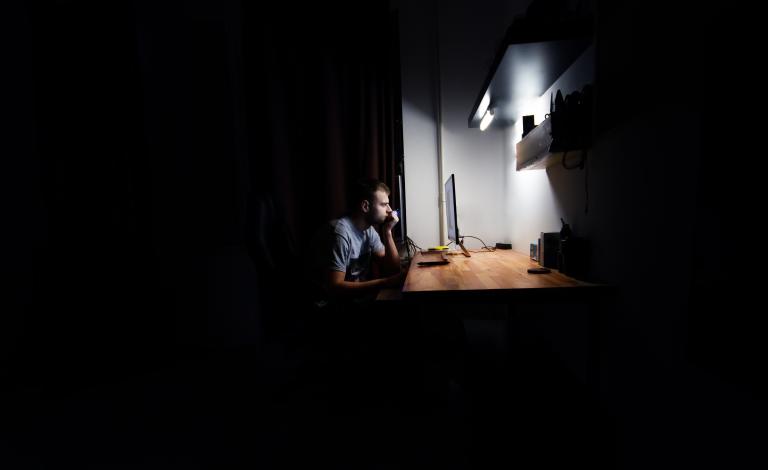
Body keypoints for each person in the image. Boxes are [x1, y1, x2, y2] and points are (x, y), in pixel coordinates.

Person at [311, 178, 405, 306]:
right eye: (383, 204)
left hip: (354, 301)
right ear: (365, 206)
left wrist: (388, 232)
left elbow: (393, 269)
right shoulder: (340, 233)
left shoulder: (369, 231)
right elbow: (335, 287)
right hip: (330, 306)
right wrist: (386, 282)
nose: (389, 210)